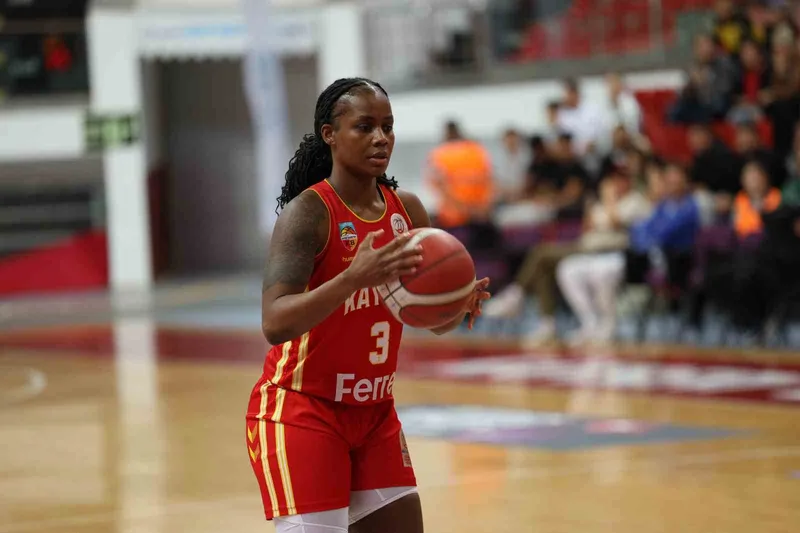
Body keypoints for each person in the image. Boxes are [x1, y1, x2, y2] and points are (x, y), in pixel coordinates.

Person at [248, 77, 491, 533]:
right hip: (303, 410)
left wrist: (454, 306)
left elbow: (429, 321)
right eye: (365, 127)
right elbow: (274, 322)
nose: (381, 138)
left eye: (388, 127)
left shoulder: (408, 212)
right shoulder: (308, 213)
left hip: (376, 413)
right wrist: (352, 279)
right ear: (330, 134)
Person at [555, 167, 661, 345]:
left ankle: (609, 324)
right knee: (567, 269)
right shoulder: (599, 204)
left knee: (601, 272)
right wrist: (593, 206)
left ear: (628, 181)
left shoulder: (635, 201)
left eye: (620, 179)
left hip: (622, 256)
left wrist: (609, 199)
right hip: (592, 253)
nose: (615, 184)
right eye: (613, 180)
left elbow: (615, 222)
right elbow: (587, 228)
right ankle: (589, 322)